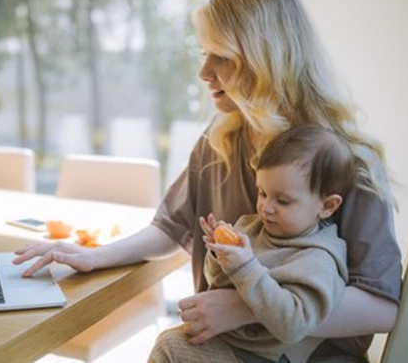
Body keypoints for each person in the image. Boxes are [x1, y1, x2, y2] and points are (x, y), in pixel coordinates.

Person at [13, 0, 402, 361]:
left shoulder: (348, 161)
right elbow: (170, 226)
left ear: (265, 60)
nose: (203, 72)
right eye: (203, 54)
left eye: (222, 57)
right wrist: (94, 256)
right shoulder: (220, 140)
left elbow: (381, 307)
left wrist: (246, 307)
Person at [149, 124, 354, 363]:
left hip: (263, 358)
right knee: (173, 339)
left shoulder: (318, 259)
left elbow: (294, 325)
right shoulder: (252, 227)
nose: (266, 208)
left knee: (170, 347)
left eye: (283, 200)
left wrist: (245, 267)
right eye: (262, 193)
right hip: (229, 344)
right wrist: (219, 255)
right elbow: (218, 283)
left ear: (327, 206)